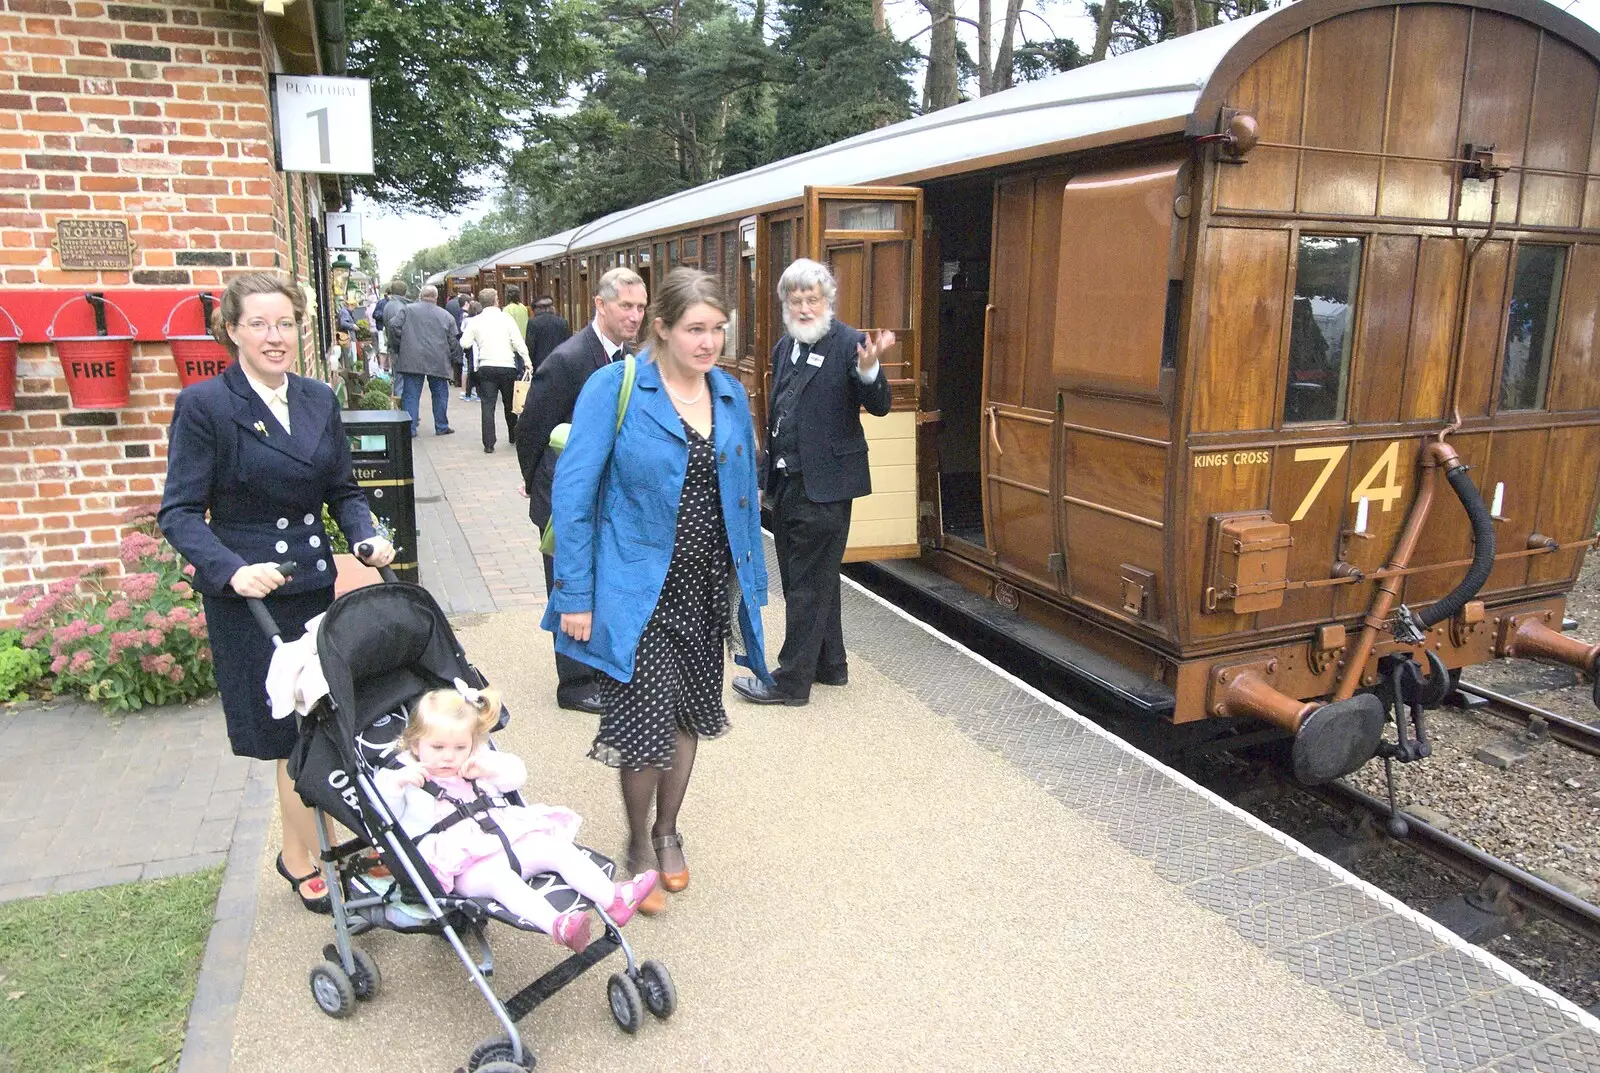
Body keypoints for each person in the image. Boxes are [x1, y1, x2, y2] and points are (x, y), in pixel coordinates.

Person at [158, 271, 396, 915]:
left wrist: (366, 535)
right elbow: (178, 513)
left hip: (315, 588)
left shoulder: (318, 398)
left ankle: (342, 838)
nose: (275, 337)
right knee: (287, 733)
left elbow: (342, 490)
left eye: (286, 323)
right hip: (253, 597)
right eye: (259, 323)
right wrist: (232, 569)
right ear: (231, 329)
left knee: (333, 720)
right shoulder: (206, 405)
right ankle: (300, 856)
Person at [544, 268, 770, 916]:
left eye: (718, 329)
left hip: (704, 588)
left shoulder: (727, 393)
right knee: (644, 722)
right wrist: (575, 596)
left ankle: (669, 829)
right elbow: (575, 493)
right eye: (696, 328)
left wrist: (750, 590)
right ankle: (639, 844)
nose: (709, 341)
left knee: (689, 715)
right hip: (633, 590)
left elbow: (744, 496)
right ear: (662, 328)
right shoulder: (614, 388)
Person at [375, 686, 659, 952]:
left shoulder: (477, 760)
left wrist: (488, 768)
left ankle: (614, 898)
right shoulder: (405, 777)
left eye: (459, 748)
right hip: (465, 868)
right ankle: (559, 925)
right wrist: (396, 785)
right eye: (437, 748)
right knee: (502, 881)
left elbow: (516, 776)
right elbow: (386, 815)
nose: (449, 757)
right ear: (415, 745)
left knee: (554, 847)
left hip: (507, 839)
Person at [732, 258, 894, 707]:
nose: (804, 307)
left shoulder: (851, 344)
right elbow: (779, 414)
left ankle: (791, 682)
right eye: (796, 299)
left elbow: (880, 404)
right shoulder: (786, 347)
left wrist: (869, 371)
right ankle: (830, 664)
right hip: (787, 484)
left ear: (828, 301)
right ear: (786, 303)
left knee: (804, 583)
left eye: (813, 299)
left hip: (827, 486)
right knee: (814, 578)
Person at [516, 268, 647, 715]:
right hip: (563, 499)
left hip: (605, 498)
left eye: (641, 307)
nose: (635, 316)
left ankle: (596, 666)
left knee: (601, 581)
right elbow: (532, 427)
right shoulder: (569, 360)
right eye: (626, 306)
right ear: (600, 305)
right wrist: (533, 480)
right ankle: (573, 685)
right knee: (569, 582)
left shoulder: (626, 360)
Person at [459, 288, 529, 454]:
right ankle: (513, 434)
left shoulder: (475, 321)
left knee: (488, 405)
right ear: (496, 300)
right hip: (507, 366)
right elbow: (518, 342)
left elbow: (464, 343)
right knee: (509, 404)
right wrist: (527, 361)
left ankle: (489, 443)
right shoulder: (507, 319)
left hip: (486, 367)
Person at [387, 284, 460, 438]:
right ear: (436, 297)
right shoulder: (446, 315)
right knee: (440, 394)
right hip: (439, 359)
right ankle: (441, 426)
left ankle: (410, 428)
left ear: (421, 296)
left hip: (412, 358)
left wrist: (400, 344)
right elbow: (453, 340)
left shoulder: (407, 310)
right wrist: (455, 359)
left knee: (411, 395)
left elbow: (393, 325)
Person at [526, 295, 571, 371]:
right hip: (559, 364)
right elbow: (568, 344)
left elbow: (530, 346)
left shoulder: (533, 323)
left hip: (540, 366)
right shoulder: (562, 322)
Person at [459, 300, 482, 403]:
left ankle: (467, 393)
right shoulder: (480, 320)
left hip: (468, 348)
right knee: (478, 371)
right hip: (478, 347)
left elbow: (462, 330)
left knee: (468, 370)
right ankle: (478, 394)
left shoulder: (466, 320)